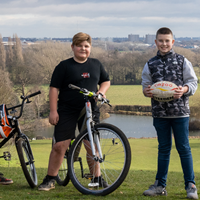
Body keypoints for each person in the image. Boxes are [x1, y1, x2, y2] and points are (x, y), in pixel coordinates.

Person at [38, 32, 110, 191]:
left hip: (89, 110)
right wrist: (53, 111)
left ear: (90, 48)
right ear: (73, 47)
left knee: (92, 146)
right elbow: (54, 89)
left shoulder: (96, 64)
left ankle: (96, 178)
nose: (83, 49)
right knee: (60, 145)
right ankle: (50, 179)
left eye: (86, 46)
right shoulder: (63, 66)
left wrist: (102, 92)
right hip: (67, 110)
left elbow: (105, 80)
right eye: (79, 45)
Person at [141, 27, 198, 199]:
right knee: (163, 149)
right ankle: (160, 186)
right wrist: (146, 91)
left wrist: (184, 90)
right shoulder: (150, 63)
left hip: (180, 113)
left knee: (184, 148)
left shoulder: (182, 61)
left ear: (172, 42)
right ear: (156, 42)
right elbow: (145, 85)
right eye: (161, 40)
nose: (164, 44)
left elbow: (193, 82)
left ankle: (191, 186)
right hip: (160, 114)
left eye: (167, 41)